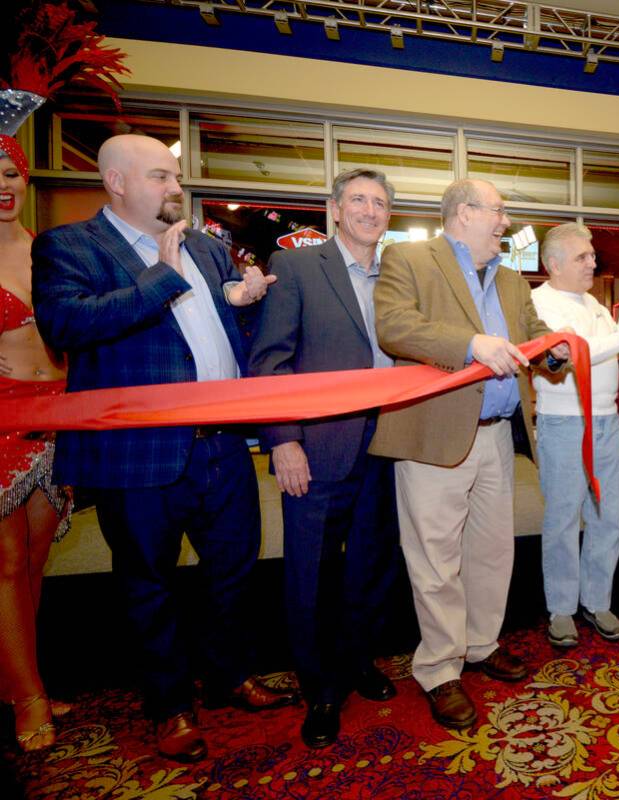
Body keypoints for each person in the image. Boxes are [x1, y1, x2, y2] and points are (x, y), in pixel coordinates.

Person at [31, 134, 294, 763]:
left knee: (233, 569)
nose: (175, 188)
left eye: (175, 177)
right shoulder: (69, 246)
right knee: (147, 584)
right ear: (117, 182)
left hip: (224, 444)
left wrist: (245, 299)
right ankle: (170, 705)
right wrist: (159, 278)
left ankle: (229, 675)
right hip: (139, 452)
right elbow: (65, 326)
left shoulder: (205, 245)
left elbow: (228, 330)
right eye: (160, 177)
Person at [370, 178, 569, 729]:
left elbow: (534, 334)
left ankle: (480, 645)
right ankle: (438, 668)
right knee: (435, 559)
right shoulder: (409, 258)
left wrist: (554, 351)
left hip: (498, 434)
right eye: (499, 212)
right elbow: (395, 327)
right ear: (463, 212)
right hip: (433, 434)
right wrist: (469, 345)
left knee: (490, 551)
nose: (505, 223)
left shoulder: (510, 279)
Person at [248, 169, 400, 749]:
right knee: (309, 574)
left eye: (380, 203)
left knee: (371, 566)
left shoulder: (399, 276)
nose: (369, 211)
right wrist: (283, 438)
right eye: (358, 200)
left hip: (387, 446)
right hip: (316, 448)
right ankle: (320, 688)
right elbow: (270, 360)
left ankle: (358, 661)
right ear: (334, 209)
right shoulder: (297, 268)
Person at [530, 223, 619, 648]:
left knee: (608, 517)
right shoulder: (539, 304)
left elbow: (613, 346)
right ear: (553, 264)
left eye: (592, 255)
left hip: (606, 422)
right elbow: (575, 354)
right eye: (582, 257)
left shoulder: (590, 301)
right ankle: (561, 610)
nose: (593, 261)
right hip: (563, 423)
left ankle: (597, 601)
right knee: (564, 519)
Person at [0, 136, 72, 753]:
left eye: (10, 173)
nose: (3, 185)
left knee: (35, 559)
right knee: (5, 560)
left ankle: (20, 677)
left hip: (62, 414)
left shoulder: (47, 251)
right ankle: (29, 699)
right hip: (0, 420)